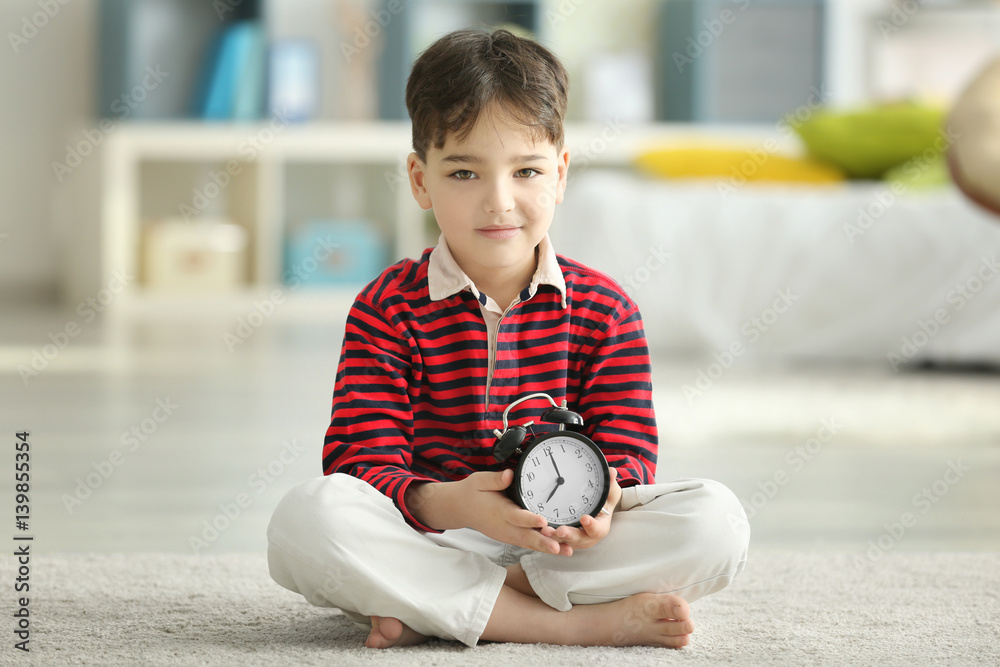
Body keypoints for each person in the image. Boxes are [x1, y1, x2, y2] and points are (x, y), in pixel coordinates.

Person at [266, 27, 750, 650]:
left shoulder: (605, 310)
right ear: (420, 179)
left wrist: (596, 512)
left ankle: (441, 605)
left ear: (561, 173)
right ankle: (571, 625)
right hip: (429, 534)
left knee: (716, 522)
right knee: (308, 519)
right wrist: (460, 506)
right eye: (464, 172)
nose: (500, 202)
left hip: (556, 548)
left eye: (526, 171)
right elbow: (361, 466)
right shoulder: (387, 308)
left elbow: (628, 454)